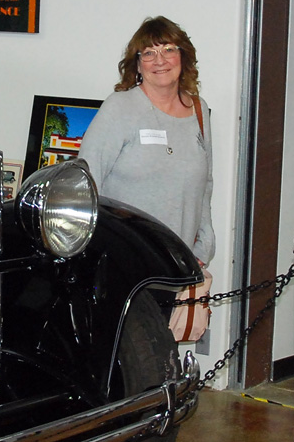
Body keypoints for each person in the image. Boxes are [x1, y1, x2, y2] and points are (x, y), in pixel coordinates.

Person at [78, 16, 214, 266]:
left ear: (183, 58)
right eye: (149, 53)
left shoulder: (198, 109)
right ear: (137, 65)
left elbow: (204, 185)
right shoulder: (119, 107)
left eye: (168, 50)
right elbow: (86, 183)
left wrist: (203, 246)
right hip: (125, 261)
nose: (159, 60)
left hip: (178, 262)